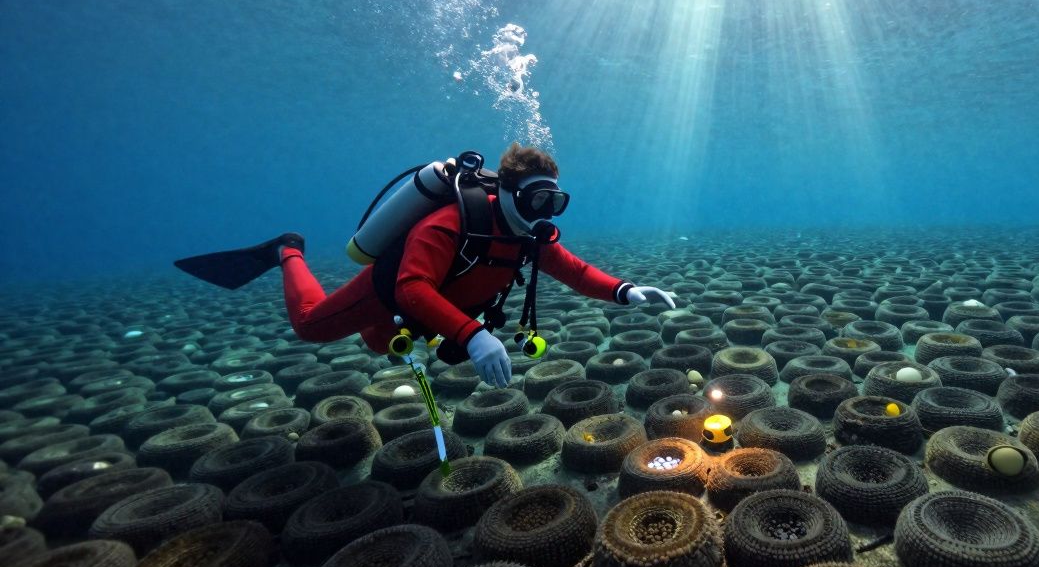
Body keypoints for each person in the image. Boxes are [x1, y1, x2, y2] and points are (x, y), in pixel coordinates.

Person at [175, 143, 675, 388]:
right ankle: (287, 250)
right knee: (311, 326)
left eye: (555, 202)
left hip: (441, 307)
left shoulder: (530, 235)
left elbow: (576, 271)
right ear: (508, 193)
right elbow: (412, 288)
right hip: (389, 290)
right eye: (537, 200)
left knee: (381, 344)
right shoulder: (449, 223)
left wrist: (626, 290)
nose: (546, 213)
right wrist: (474, 336)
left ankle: (402, 334)